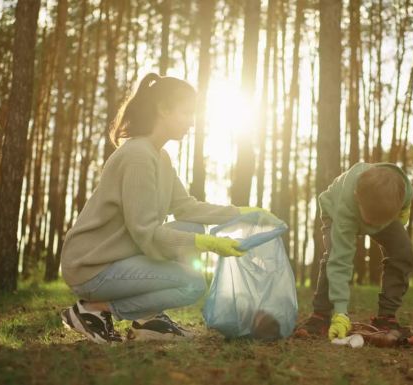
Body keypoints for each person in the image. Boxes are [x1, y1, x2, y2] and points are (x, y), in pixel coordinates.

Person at [59, 73, 266, 343]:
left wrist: (241, 213)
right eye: (187, 113)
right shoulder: (138, 157)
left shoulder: (160, 157)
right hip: (93, 267)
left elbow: (186, 208)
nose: (192, 122)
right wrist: (206, 243)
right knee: (192, 284)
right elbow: (145, 232)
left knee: (191, 225)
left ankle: (149, 320)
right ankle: (92, 310)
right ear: (163, 109)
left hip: (119, 259)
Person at [294, 162, 413, 340]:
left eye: (379, 224)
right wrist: (341, 312)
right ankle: (321, 316)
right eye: (371, 222)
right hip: (336, 212)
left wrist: (403, 211)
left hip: (381, 212)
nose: (374, 228)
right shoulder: (346, 209)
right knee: (334, 255)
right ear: (357, 197)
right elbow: (340, 262)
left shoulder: (405, 191)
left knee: (402, 251)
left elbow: (404, 203)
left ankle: (386, 317)